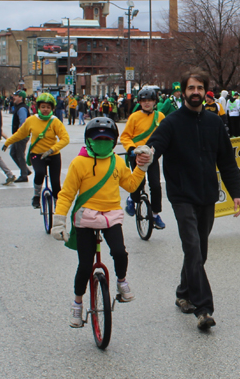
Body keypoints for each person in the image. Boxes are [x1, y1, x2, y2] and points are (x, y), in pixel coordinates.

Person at [147, 68, 240, 330]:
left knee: (199, 250)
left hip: (206, 195)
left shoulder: (214, 123)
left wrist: (236, 193)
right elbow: (154, 146)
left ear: (205, 92)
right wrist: (144, 154)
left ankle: (183, 293)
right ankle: (203, 309)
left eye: (200, 88)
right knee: (192, 247)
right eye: (191, 88)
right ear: (183, 91)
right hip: (181, 195)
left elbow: (227, 161)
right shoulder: (172, 122)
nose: (195, 93)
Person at [51, 118, 153, 328]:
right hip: (86, 218)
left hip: (111, 216)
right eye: (98, 139)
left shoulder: (117, 161)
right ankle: (77, 303)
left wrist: (142, 167)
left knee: (119, 252)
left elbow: (132, 185)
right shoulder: (79, 163)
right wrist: (59, 221)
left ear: (114, 141)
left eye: (107, 139)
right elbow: (67, 194)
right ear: (88, 141)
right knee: (85, 265)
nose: (102, 142)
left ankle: (121, 282)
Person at [3, 93, 69, 208]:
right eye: (43, 107)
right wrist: (7, 142)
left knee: (55, 183)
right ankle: (36, 196)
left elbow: (65, 139)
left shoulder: (55, 121)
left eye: (48, 107)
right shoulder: (31, 120)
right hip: (37, 154)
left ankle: (57, 205)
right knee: (39, 173)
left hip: (53, 154)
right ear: (38, 107)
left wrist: (52, 149)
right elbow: (20, 134)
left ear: (52, 109)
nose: (45, 110)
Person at [120, 87, 166, 229]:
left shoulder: (160, 117)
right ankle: (131, 199)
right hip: (137, 155)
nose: (147, 103)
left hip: (152, 156)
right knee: (138, 185)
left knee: (156, 185)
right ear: (139, 102)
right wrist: (131, 149)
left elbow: (165, 136)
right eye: (144, 101)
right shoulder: (134, 117)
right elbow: (125, 136)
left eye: (150, 101)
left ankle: (155, 214)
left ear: (155, 102)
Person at [9, 90, 31, 183]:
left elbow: (23, 123)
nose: (14, 97)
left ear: (20, 98)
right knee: (13, 153)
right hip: (18, 135)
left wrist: (19, 134)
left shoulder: (22, 109)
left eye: (16, 96)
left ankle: (24, 175)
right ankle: (25, 170)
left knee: (19, 155)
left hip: (21, 135)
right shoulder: (18, 107)